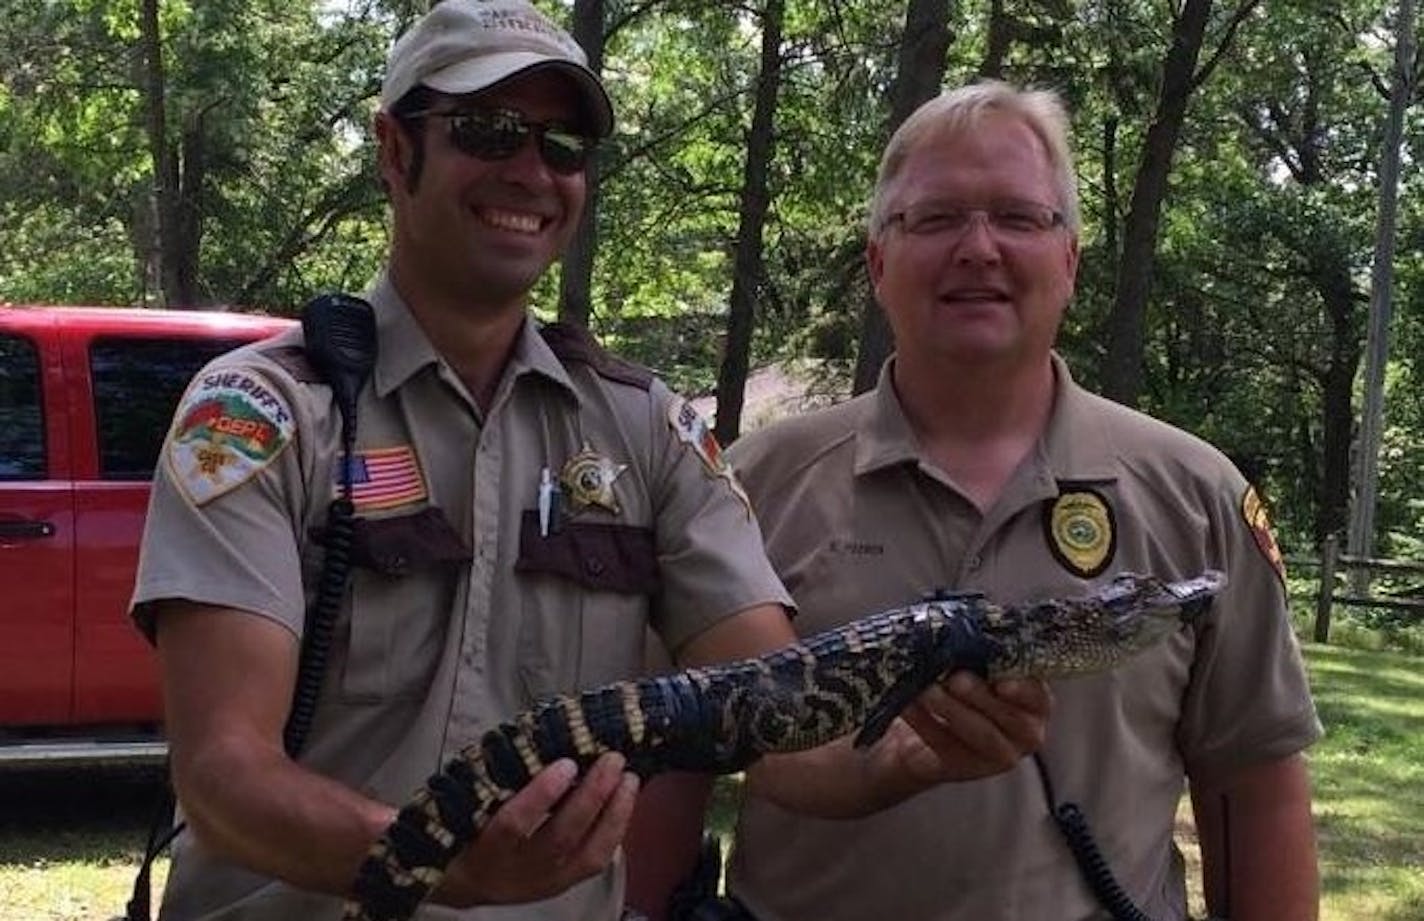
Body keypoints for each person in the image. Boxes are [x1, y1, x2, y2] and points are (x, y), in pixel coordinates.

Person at [129, 3, 1049, 919]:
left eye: (564, 144)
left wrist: (910, 754)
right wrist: (444, 860)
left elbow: (778, 719)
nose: (532, 171)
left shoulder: (646, 430)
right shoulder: (264, 413)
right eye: (487, 130)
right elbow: (223, 773)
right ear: (394, 150)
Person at [708, 81, 1321, 921]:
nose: (979, 248)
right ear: (878, 262)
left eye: (1019, 217)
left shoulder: (1197, 497)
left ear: (1069, 259)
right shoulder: (752, 483)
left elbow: (1255, 787)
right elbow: (676, 758)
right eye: (935, 218)